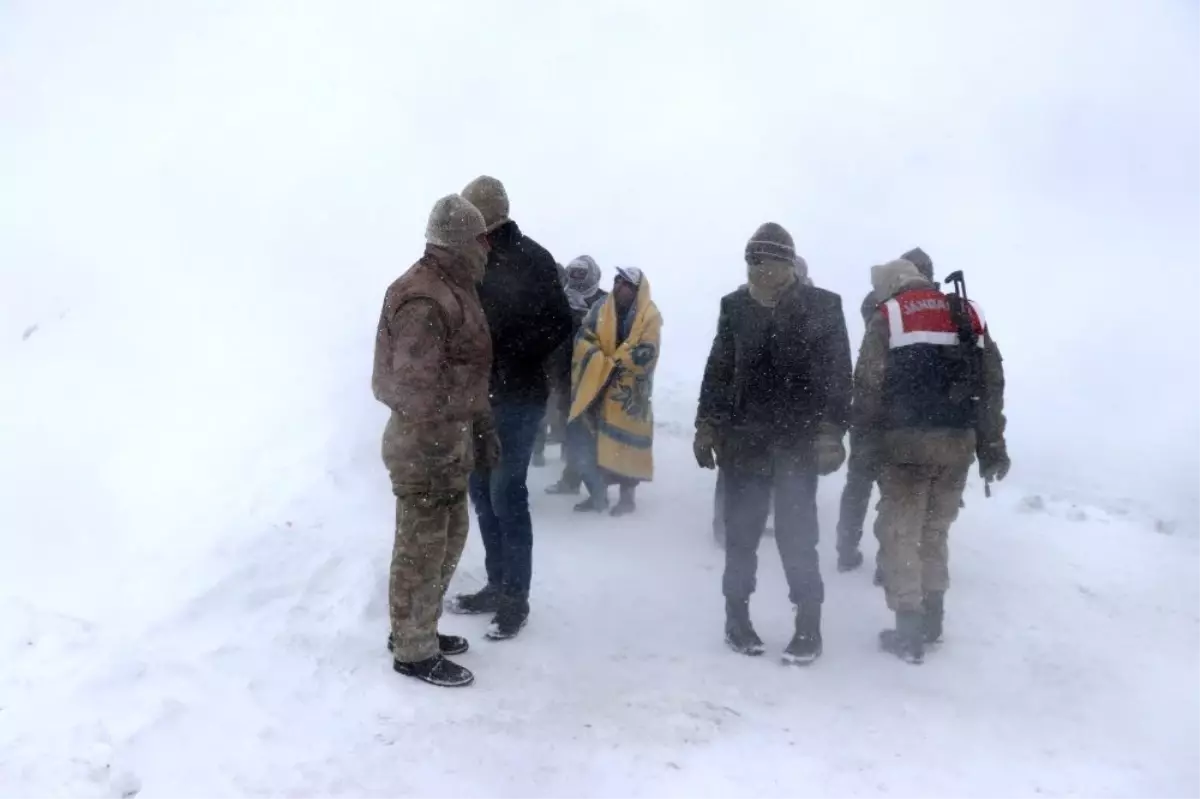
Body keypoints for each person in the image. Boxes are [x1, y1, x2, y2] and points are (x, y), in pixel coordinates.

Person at [694, 224, 852, 664]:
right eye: (751, 264)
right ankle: (736, 618)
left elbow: (838, 377)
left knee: (798, 536)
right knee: (741, 535)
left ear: (787, 265)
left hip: (797, 443)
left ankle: (808, 624)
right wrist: (707, 424)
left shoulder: (823, 308)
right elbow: (719, 370)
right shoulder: (735, 307)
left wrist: (830, 431)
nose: (757, 274)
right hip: (744, 441)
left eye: (766, 265)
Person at [851, 258, 1008, 664]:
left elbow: (868, 386)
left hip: (905, 447)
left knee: (901, 533)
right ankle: (934, 615)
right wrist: (992, 445)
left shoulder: (890, 314)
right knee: (935, 531)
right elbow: (991, 383)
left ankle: (909, 627)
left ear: (890, 285)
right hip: (958, 445)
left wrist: (864, 448)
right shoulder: (966, 311)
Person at [371, 194, 499, 688]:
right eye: (481, 239)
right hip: (424, 446)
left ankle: (417, 625)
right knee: (421, 547)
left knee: (448, 539)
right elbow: (413, 388)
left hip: (448, 442)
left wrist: (480, 428)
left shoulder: (453, 286)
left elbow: (466, 374)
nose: (487, 249)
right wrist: (455, 428)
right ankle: (412, 648)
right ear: (460, 243)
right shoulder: (424, 298)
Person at [450, 176, 573, 641]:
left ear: (491, 218)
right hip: (478, 396)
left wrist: (510, 351)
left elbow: (562, 321)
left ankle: (514, 600)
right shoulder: (470, 259)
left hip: (519, 396)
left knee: (506, 493)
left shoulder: (533, 258)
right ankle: (496, 584)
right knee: (481, 492)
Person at [837, 247, 936, 577]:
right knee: (891, 493)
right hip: (902, 418)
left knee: (860, 485)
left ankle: (847, 549)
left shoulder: (878, 302)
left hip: (873, 412)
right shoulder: (921, 309)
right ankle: (885, 562)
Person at [711, 254, 810, 546]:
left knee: (770, 469)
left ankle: (756, 520)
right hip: (743, 403)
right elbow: (726, 356)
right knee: (733, 467)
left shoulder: (805, 306)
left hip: (778, 408)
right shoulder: (744, 301)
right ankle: (724, 524)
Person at [568, 266, 662, 516]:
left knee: (626, 444)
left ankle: (627, 497)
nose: (620, 287)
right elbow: (584, 337)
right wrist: (600, 360)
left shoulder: (649, 315)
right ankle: (597, 494)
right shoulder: (600, 307)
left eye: (627, 284)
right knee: (592, 440)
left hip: (629, 392)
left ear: (637, 290)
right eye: (617, 281)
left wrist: (615, 362)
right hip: (598, 386)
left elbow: (647, 351)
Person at [546, 256, 608, 496]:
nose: (577, 279)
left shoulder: (603, 302)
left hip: (593, 376)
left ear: (593, 274)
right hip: (563, 373)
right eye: (573, 273)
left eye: (582, 274)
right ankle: (571, 479)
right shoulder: (561, 298)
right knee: (569, 430)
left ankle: (597, 487)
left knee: (589, 433)